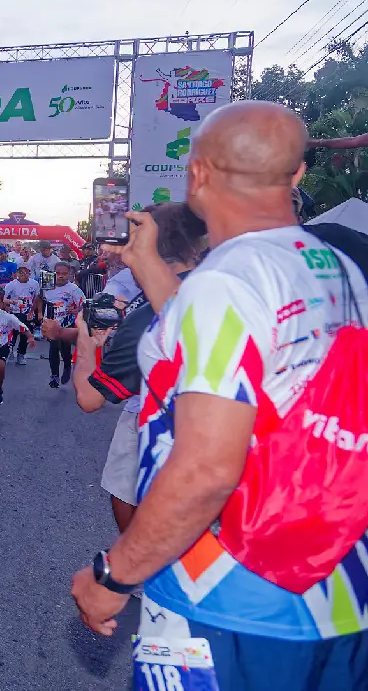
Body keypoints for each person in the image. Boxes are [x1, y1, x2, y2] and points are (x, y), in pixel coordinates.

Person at [71, 101, 368, 690]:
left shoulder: (225, 285)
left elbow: (207, 467)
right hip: (335, 594)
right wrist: (149, 265)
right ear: (298, 175)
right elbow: (245, 347)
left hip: (230, 599)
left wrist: (115, 576)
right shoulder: (337, 267)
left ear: (199, 175)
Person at [65, 203, 207, 537]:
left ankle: (141, 567)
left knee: (126, 492)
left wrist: (86, 344)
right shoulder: (230, 286)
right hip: (230, 433)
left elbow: (89, 398)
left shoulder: (144, 321)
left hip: (158, 424)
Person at [41, 262, 84, 388]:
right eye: (58, 273)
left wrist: (77, 310)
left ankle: (67, 365)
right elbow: (40, 298)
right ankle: (54, 376)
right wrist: (38, 313)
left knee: (65, 349)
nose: (60, 276)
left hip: (66, 323)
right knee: (53, 347)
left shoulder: (74, 289)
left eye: (64, 274)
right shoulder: (47, 284)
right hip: (50, 322)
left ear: (69, 274)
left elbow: (84, 305)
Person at [2, 264, 41, 365]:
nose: (23, 275)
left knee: (25, 334)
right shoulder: (11, 285)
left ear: (29, 273)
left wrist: (34, 312)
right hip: (15, 312)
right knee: (13, 334)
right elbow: (3, 298)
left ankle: (21, 354)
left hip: (28, 313)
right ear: (17, 274)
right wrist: (7, 307)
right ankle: (9, 351)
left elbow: (37, 299)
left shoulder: (35, 284)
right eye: (21, 272)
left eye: (26, 272)